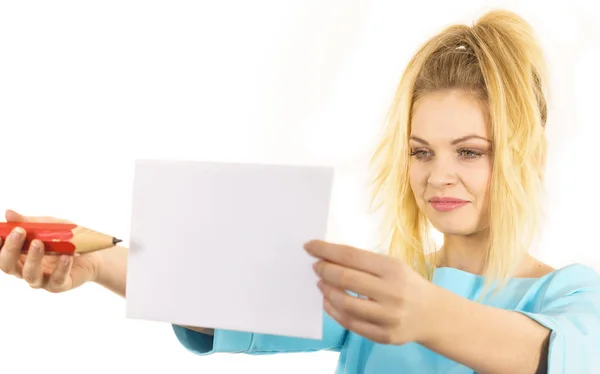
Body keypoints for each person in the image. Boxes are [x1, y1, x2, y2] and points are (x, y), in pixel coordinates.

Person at [1, 8, 599, 373]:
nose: (437, 176)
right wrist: (96, 263)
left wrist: (423, 311)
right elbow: (228, 296)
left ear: (529, 155)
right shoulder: (382, 291)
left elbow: (550, 357)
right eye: (420, 152)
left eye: (469, 151)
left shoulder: (572, 296)